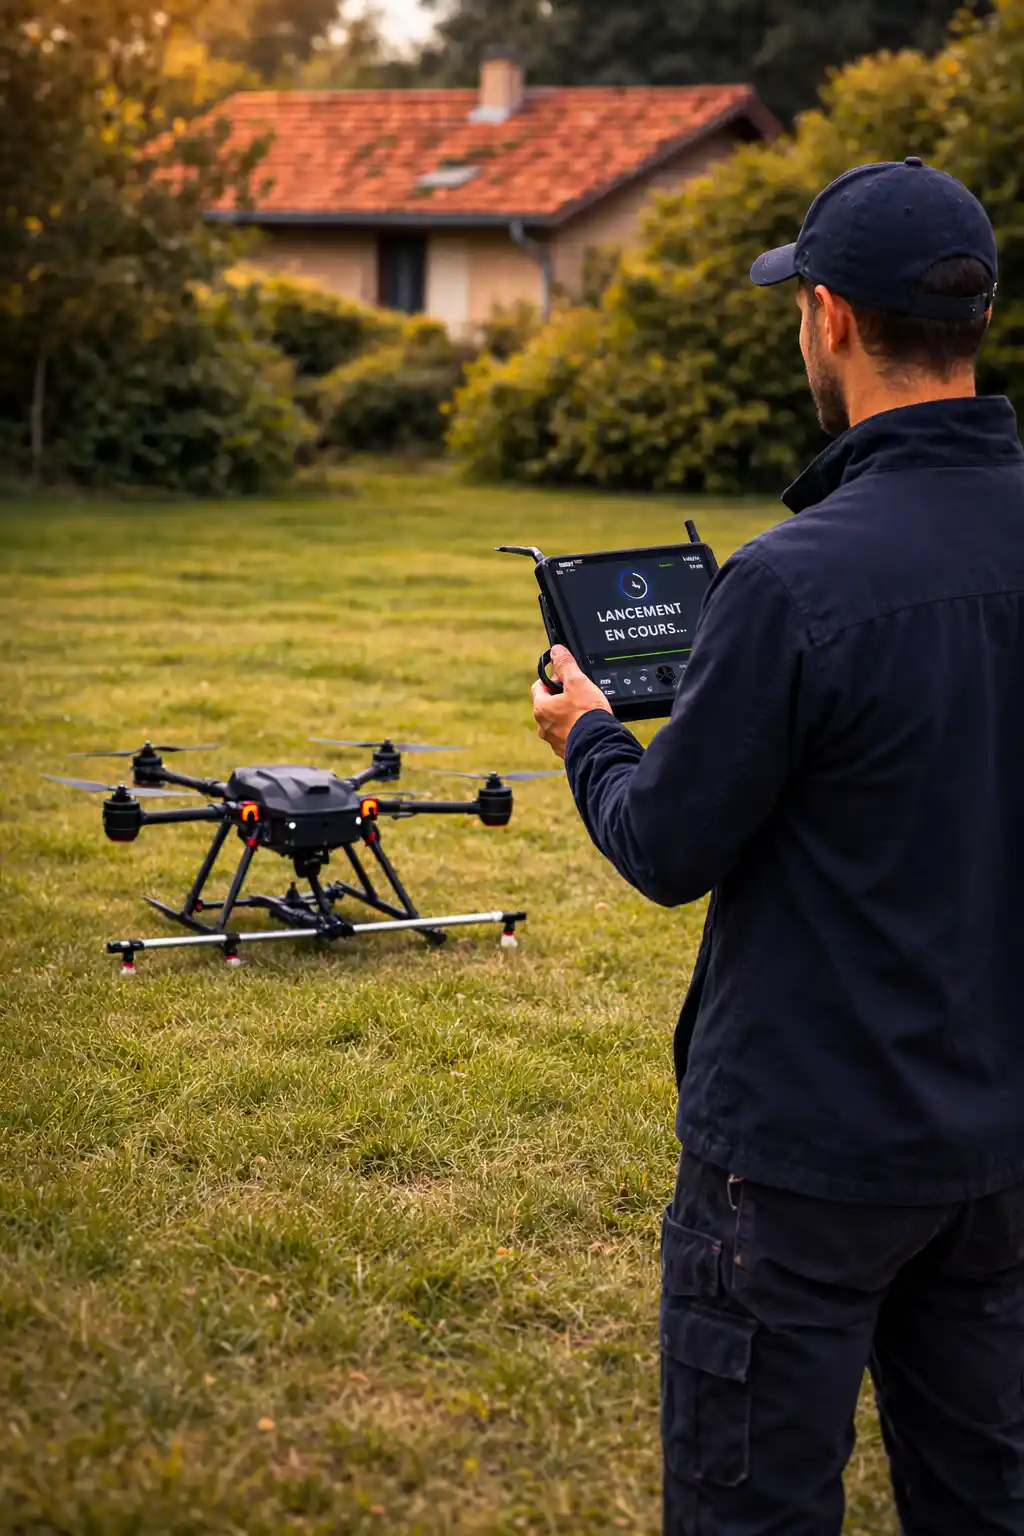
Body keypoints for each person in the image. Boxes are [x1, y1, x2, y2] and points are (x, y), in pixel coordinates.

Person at [531, 159, 1024, 1536]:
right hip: (996, 1147)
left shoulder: (793, 577)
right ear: (975, 317)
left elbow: (663, 843)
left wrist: (588, 735)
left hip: (799, 1164)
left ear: (831, 318)